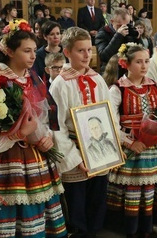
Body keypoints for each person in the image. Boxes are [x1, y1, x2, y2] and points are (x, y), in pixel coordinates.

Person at [0, 19, 67, 237]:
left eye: (34, 50)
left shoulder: (31, 79)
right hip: (8, 162)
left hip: (37, 157)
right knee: (13, 217)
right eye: (26, 51)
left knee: (39, 212)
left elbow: (44, 117)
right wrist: (20, 134)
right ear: (9, 51)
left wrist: (47, 138)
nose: (33, 56)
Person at [107, 43, 157, 237]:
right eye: (138, 62)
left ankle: (148, 226)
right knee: (135, 189)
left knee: (152, 189)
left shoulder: (154, 85)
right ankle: (132, 228)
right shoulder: (117, 89)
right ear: (126, 64)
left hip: (156, 146)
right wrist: (129, 143)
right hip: (133, 148)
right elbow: (111, 122)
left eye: (146, 61)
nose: (144, 66)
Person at [49, 27, 111, 237]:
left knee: (97, 205)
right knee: (77, 209)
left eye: (89, 50)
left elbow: (108, 116)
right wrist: (75, 159)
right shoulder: (60, 84)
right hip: (75, 155)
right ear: (67, 52)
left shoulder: (98, 79)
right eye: (80, 51)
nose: (87, 55)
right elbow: (56, 127)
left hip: (99, 154)